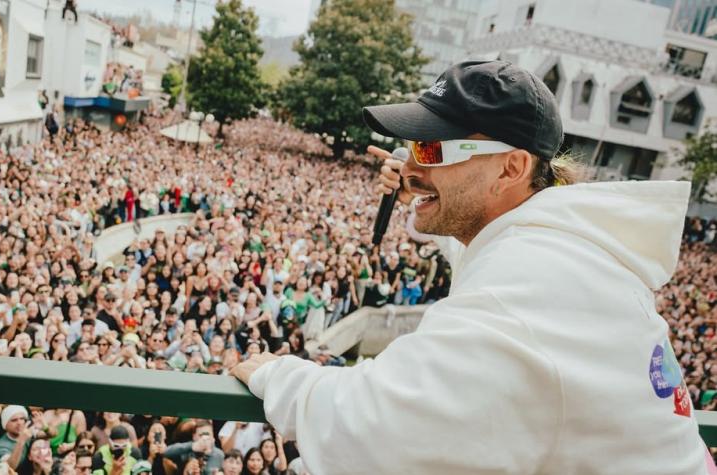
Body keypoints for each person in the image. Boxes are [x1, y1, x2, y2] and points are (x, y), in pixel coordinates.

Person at [232, 60, 715, 473]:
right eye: (412, 148)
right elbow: (484, 246)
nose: (411, 167)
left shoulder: (522, 292)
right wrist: (424, 191)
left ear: (511, 168)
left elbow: (379, 427)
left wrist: (279, 376)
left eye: (432, 149)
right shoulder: (563, 249)